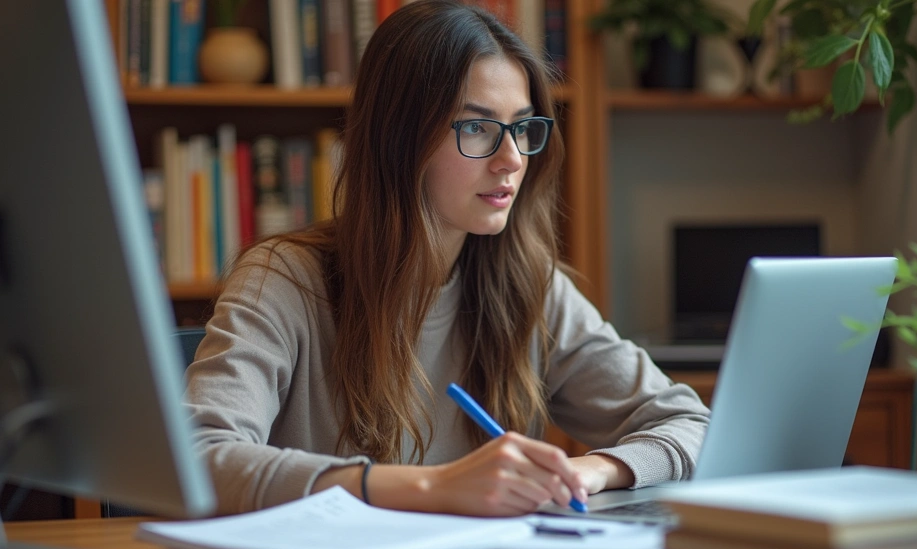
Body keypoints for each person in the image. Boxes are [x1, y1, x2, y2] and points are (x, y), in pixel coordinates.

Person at [185, 0, 710, 518]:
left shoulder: (529, 286)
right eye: (476, 127)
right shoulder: (284, 280)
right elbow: (198, 458)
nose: (511, 160)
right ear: (400, 138)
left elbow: (694, 423)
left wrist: (591, 470)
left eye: (523, 128)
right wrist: (430, 486)